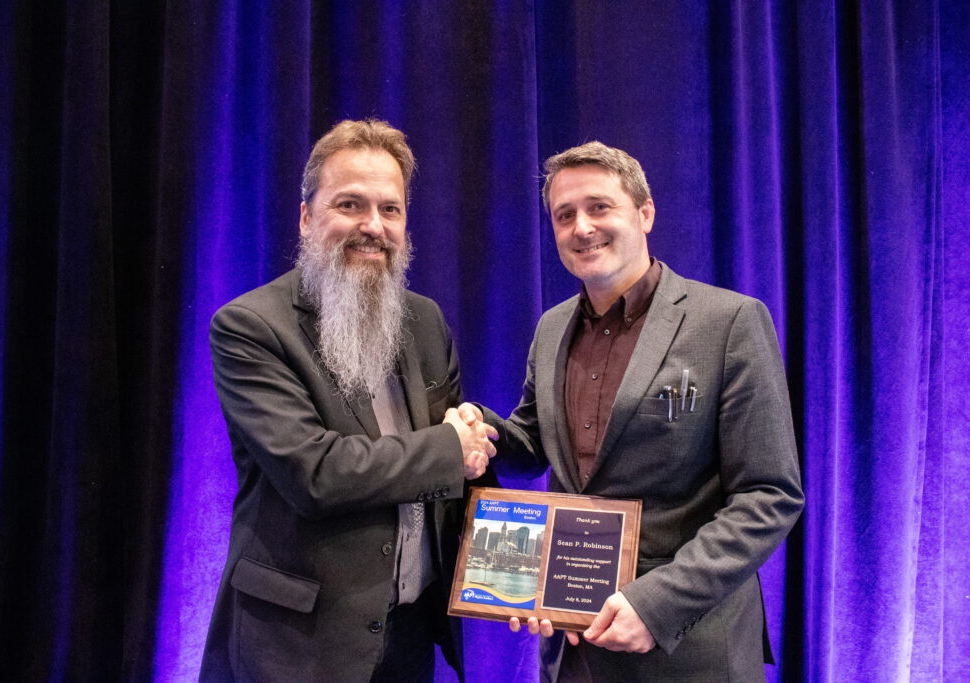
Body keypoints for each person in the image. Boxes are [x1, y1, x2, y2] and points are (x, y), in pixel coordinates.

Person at [463, 141, 804, 681]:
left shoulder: (730, 321)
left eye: (600, 207)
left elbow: (769, 494)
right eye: (564, 214)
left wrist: (658, 603)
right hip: (575, 646)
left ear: (645, 213)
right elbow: (532, 444)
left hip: (687, 647)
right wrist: (475, 429)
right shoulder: (552, 327)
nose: (582, 227)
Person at [199, 119, 497, 682]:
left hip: (410, 637)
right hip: (298, 646)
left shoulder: (425, 319)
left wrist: (531, 581)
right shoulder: (250, 327)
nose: (373, 226)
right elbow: (316, 473)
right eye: (350, 205)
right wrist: (452, 447)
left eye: (391, 209)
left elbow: (462, 454)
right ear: (307, 218)